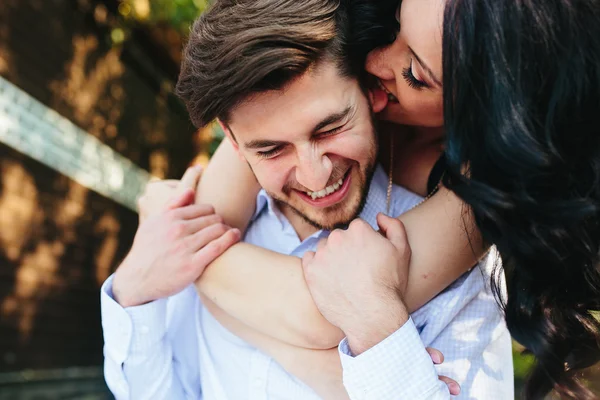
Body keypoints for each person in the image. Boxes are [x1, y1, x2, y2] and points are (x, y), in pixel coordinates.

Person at [165, 0, 600, 398]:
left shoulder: (482, 186)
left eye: (415, 72)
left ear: (484, 108)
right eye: (394, 28)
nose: (373, 60)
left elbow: (324, 307)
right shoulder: (322, 66)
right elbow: (204, 221)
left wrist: (311, 362)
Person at [100, 0, 513, 399]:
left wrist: (366, 358)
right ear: (234, 142)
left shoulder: (464, 273)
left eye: (329, 128)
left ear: (372, 92)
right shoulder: (216, 220)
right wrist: (135, 288)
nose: (315, 175)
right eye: (271, 149)